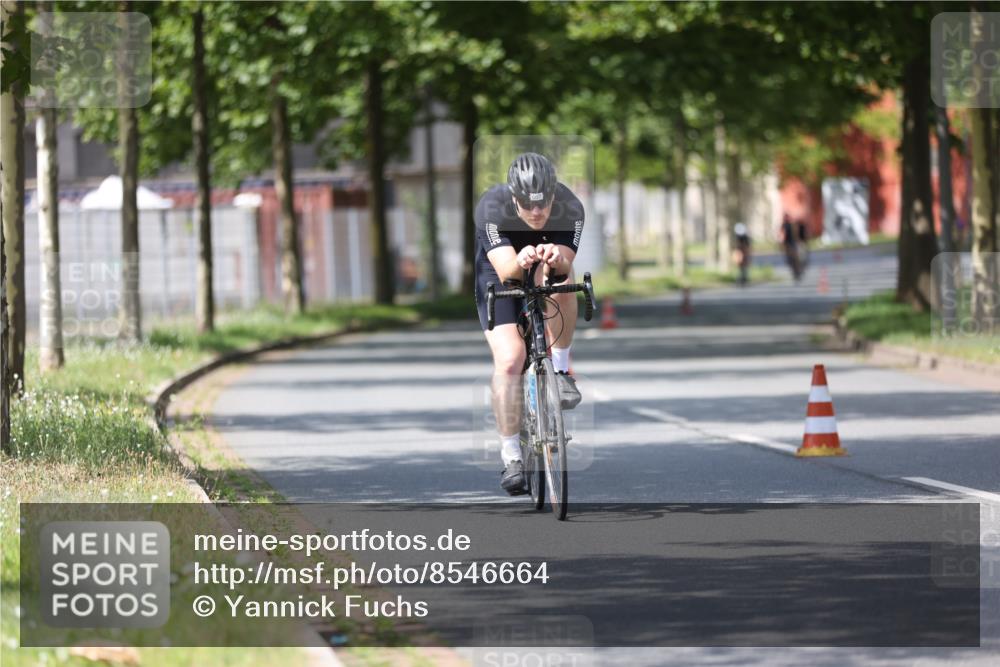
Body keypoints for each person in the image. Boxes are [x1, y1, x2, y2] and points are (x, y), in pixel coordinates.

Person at [474, 152, 585, 495]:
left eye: (543, 203)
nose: (536, 212)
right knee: (510, 359)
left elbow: (565, 263)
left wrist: (555, 259)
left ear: (554, 194)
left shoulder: (571, 206)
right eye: (527, 204)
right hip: (500, 268)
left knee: (563, 284)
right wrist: (520, 261)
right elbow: (508, 271)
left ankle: (562, 372)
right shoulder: (492, 207)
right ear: (513, 196)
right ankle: (511, 457)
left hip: (544, 263)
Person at [779, 214, 802, 281]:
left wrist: (797, 242)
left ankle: (797, 271)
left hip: (792, 243)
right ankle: (794, 271)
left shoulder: (792, 225)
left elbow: (796, 234)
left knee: (795, 258)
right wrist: (781, 243)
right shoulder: (783, 225)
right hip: (787, 244)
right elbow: (781, 234)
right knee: (789, 259)